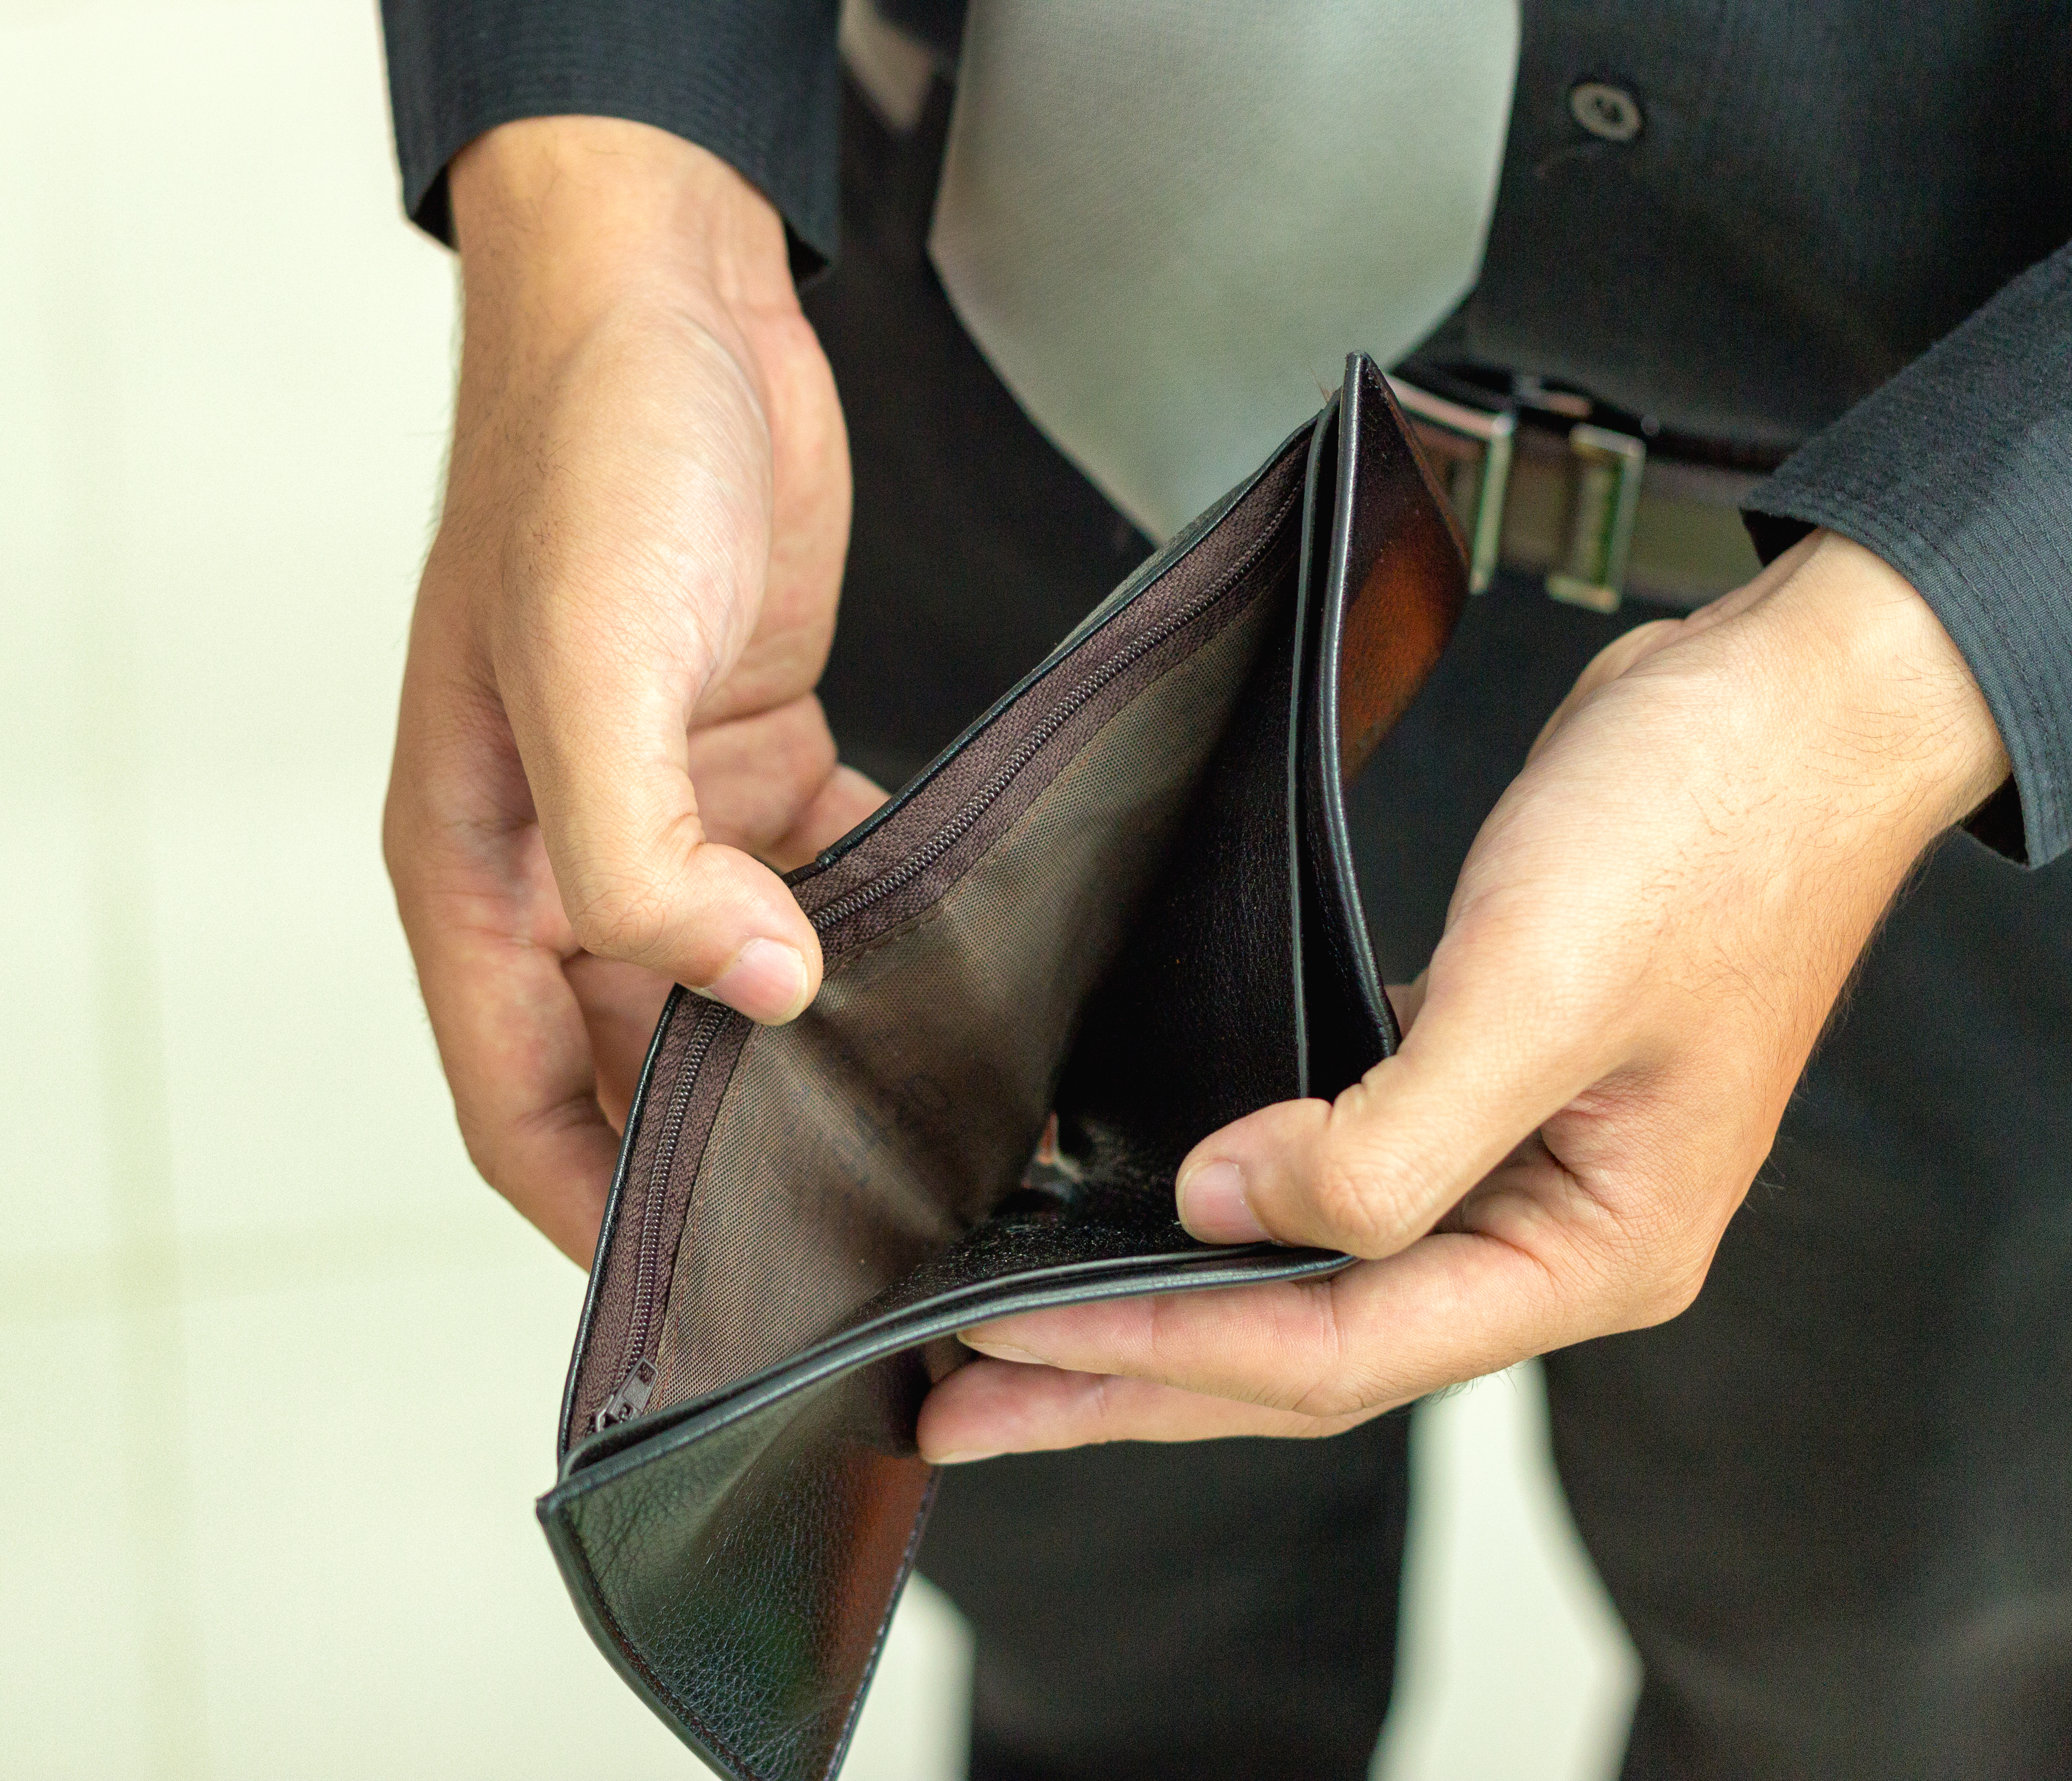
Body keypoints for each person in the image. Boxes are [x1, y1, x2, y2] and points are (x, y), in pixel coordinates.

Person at [375, 5, 2072, 1776]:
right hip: (983, 521)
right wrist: (617, 213)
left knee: (1896, 1687)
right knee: (1097, 1617)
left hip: (1974, 748)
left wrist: (1944, 641)